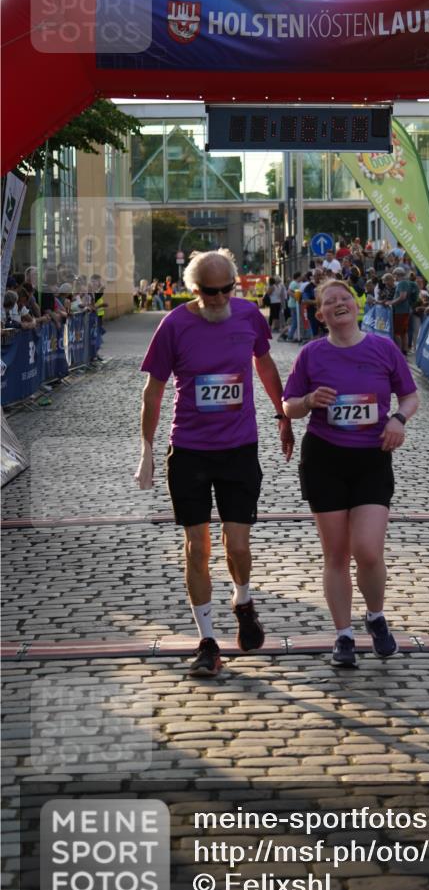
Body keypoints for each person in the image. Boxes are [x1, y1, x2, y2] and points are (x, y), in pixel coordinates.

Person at [134, 250, 294, 678]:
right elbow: (153, 391)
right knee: (197, 547)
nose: (221, 297)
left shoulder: (249, 317)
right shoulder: (174, 325)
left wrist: (282, 416)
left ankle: (243, 600)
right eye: (211, 291)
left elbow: (264, 363)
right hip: (188, 450)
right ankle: (206, 640)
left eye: (228, 289)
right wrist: (147, 449)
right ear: (194, 289)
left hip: (239, 448)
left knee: (238, 546)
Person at [282, 279, 419, 668]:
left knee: (369, 550)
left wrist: (398, 419)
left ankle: (375, 616)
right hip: (325, 458)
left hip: (371, 458)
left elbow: (409, 395)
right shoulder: (310, 355)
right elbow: (288, 406)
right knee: (337, 554)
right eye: (330, 302)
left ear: (356, 306)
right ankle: (343, 635)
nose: (338, 304)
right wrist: (308, 401)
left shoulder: (383, 348)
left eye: (345, 298)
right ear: (320, 314)